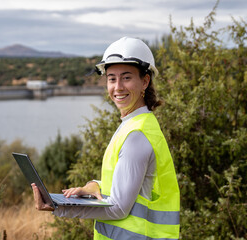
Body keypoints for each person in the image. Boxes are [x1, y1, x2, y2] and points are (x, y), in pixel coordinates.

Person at [32, 37, 180, 240]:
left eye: (126, 78)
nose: (117, 87)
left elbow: (118, 208)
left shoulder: (136, 135)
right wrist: (96, 186)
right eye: (112, 78)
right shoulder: (137, 124)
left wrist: (57, 207)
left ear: (145, 81)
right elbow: (136, 184)